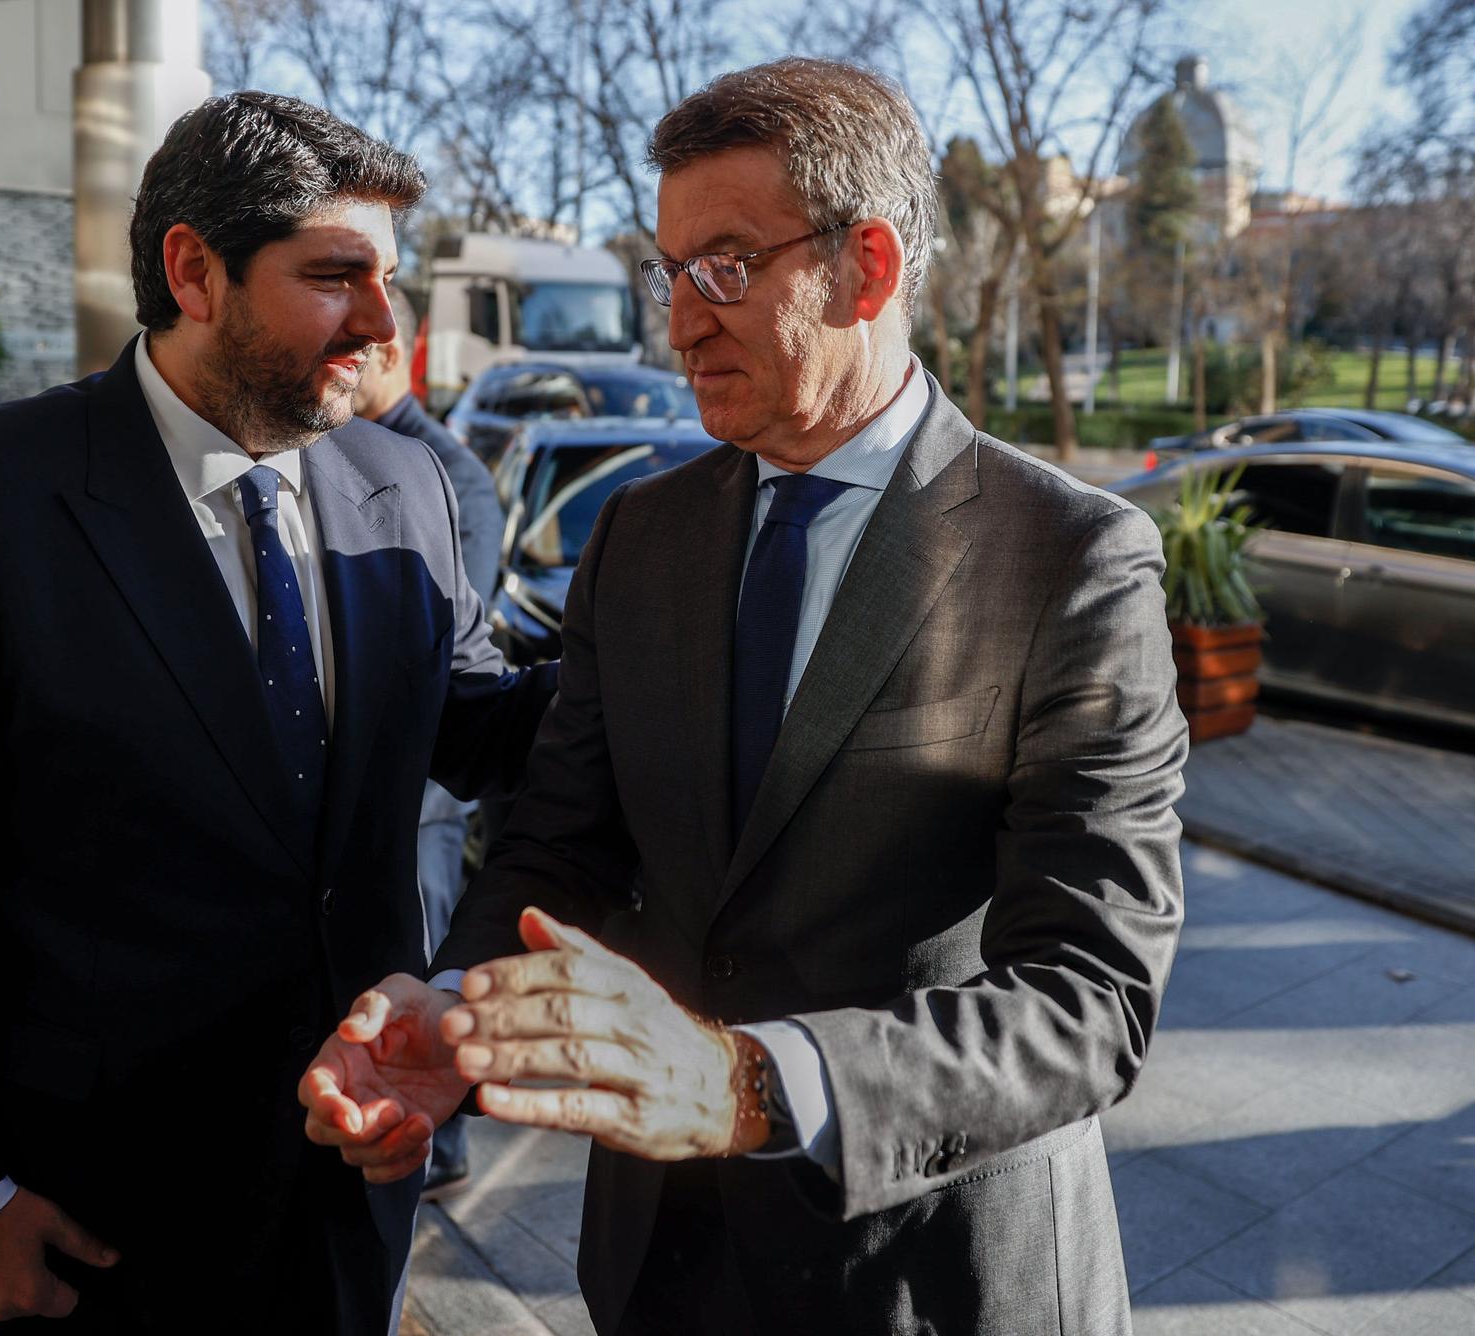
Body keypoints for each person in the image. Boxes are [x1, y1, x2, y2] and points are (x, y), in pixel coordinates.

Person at [303, 57, 1187, 1335]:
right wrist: (454, 1019)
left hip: (929, 1281)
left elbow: (1085, 1000)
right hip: (659, 1268)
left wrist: (746, 1085)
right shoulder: (639, 535)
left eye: (724, 266)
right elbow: (561, 840)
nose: (679, 323)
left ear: (866, 269)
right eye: (668, 272)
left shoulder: (1071, 558)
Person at [0, 91, 555, 1335]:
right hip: (84, 1233)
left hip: (354, 1187)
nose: (382, 321)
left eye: (388, 276)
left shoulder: (406, 484)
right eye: (336, 275)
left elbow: (475, 726)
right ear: (195, 269)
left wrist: (673, 613)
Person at [351, 286, 505, 1201]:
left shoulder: (448, 472)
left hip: (427, 798)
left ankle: (436, 1152)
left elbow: (447, 643)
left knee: (421, 960)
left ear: (399, 352)